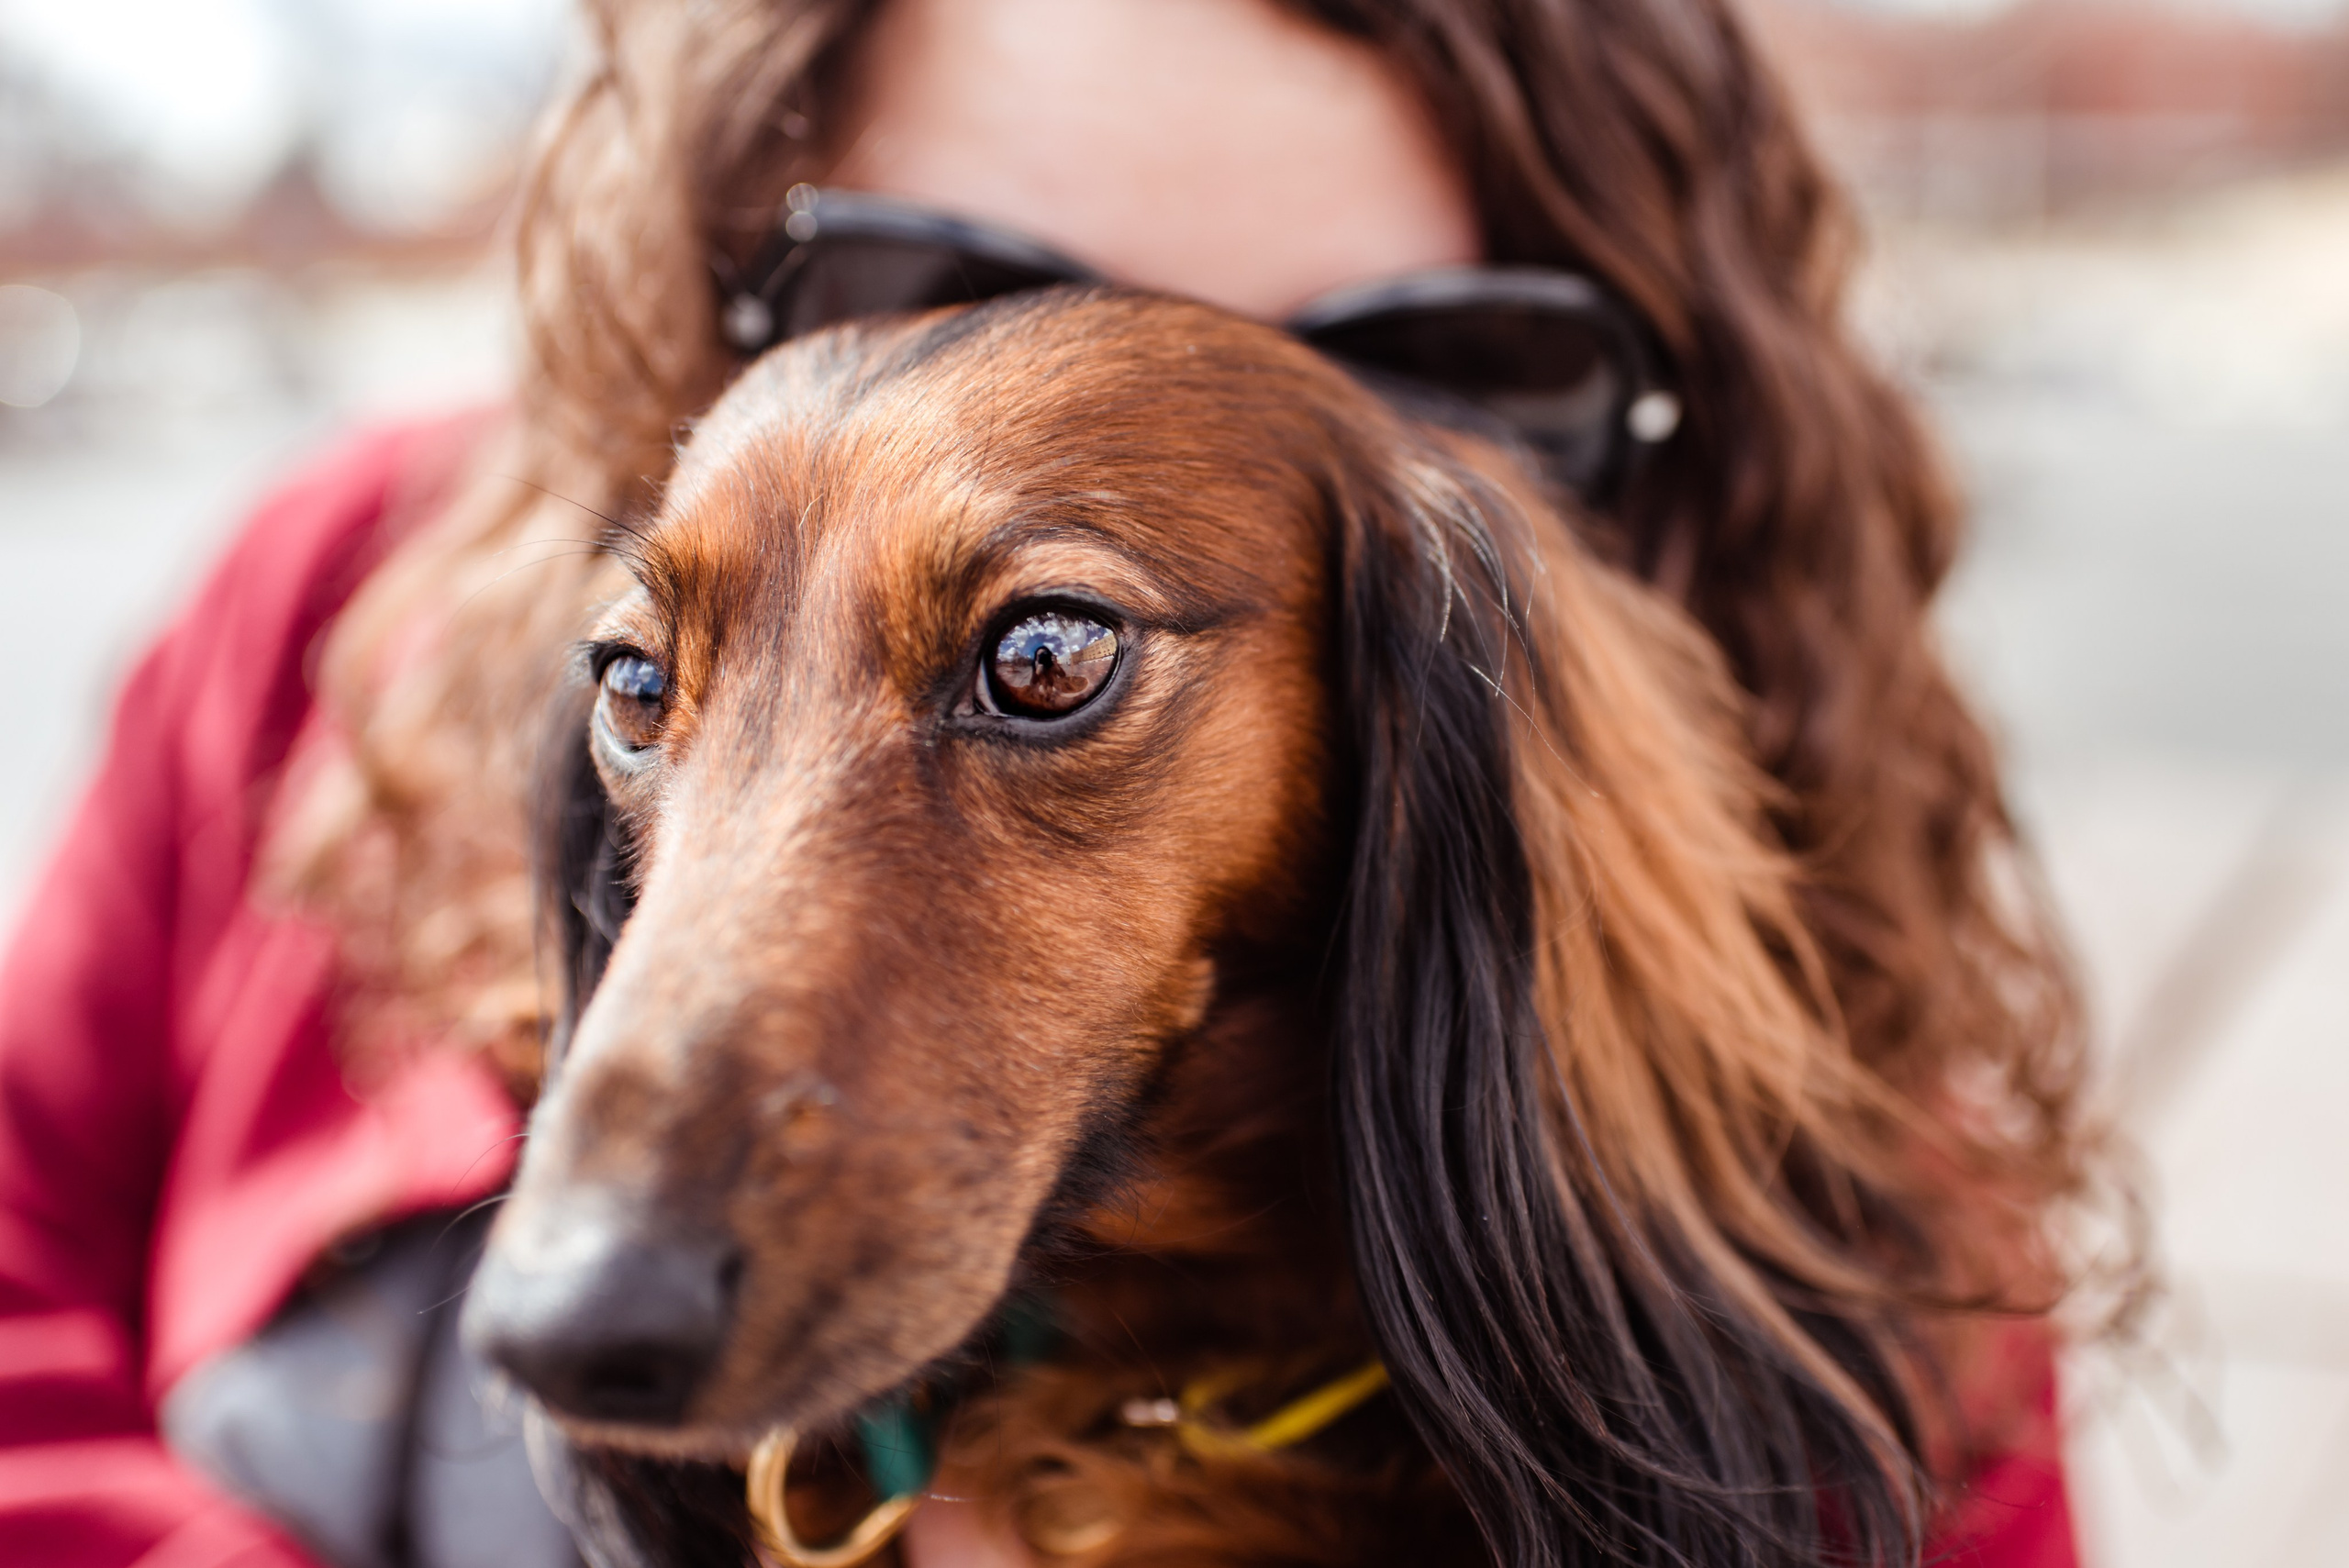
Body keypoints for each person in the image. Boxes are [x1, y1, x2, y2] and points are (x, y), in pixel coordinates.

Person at [0, 1, 2101, 1564]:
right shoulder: (341, 608)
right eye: (948, 297)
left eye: (1417, 359)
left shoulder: (1875, 1251)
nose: (1153, 404)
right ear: (740, 265)